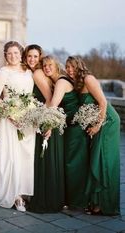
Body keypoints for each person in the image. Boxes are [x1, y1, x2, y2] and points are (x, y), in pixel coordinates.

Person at [66, 56, 120, 215]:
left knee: (103, 159)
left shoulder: (89, 79)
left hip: (107, 122)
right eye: (67, 67)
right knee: (96, 159)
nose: (70, 70)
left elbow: (103, 102)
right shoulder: (77, 83)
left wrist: (97, 126)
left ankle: (104, 204)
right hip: (97, 122)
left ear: (80, 66)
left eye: (73, 67)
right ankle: (95, 202)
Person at [0, 41, 35, 212]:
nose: (13, 56)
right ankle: (15, 196)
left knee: (26, 156)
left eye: (16, 53)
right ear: (5, 55)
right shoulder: (3, 72)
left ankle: (24, 192)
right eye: (9, 53)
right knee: (12, 156)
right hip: (10, 120)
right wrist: (10, 115)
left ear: (21, 53)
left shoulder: (29, 71)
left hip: (28, 120)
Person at [42, 55, 89, 211]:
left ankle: (77, 202)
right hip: (69, 127)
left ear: (56, 66)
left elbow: (54, 104)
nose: (46, 68)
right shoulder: (58, 81)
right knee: (70, 164)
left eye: (50, 65)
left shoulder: (61, 82)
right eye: (44, 66)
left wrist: (48, 124)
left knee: (74, 164)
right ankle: (71, 199)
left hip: (76, 128)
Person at [23, 46, 66, 213]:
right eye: (29, 56)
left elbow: (49, 100)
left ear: (39, 57)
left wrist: (48, 123)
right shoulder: (37, 72)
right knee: (45, 160)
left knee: (45, 160)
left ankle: (46, 200)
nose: (32, 59)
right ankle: (50, 198)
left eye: (35, 56)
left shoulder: (38, 73)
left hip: (46, 119)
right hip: (43, 117)